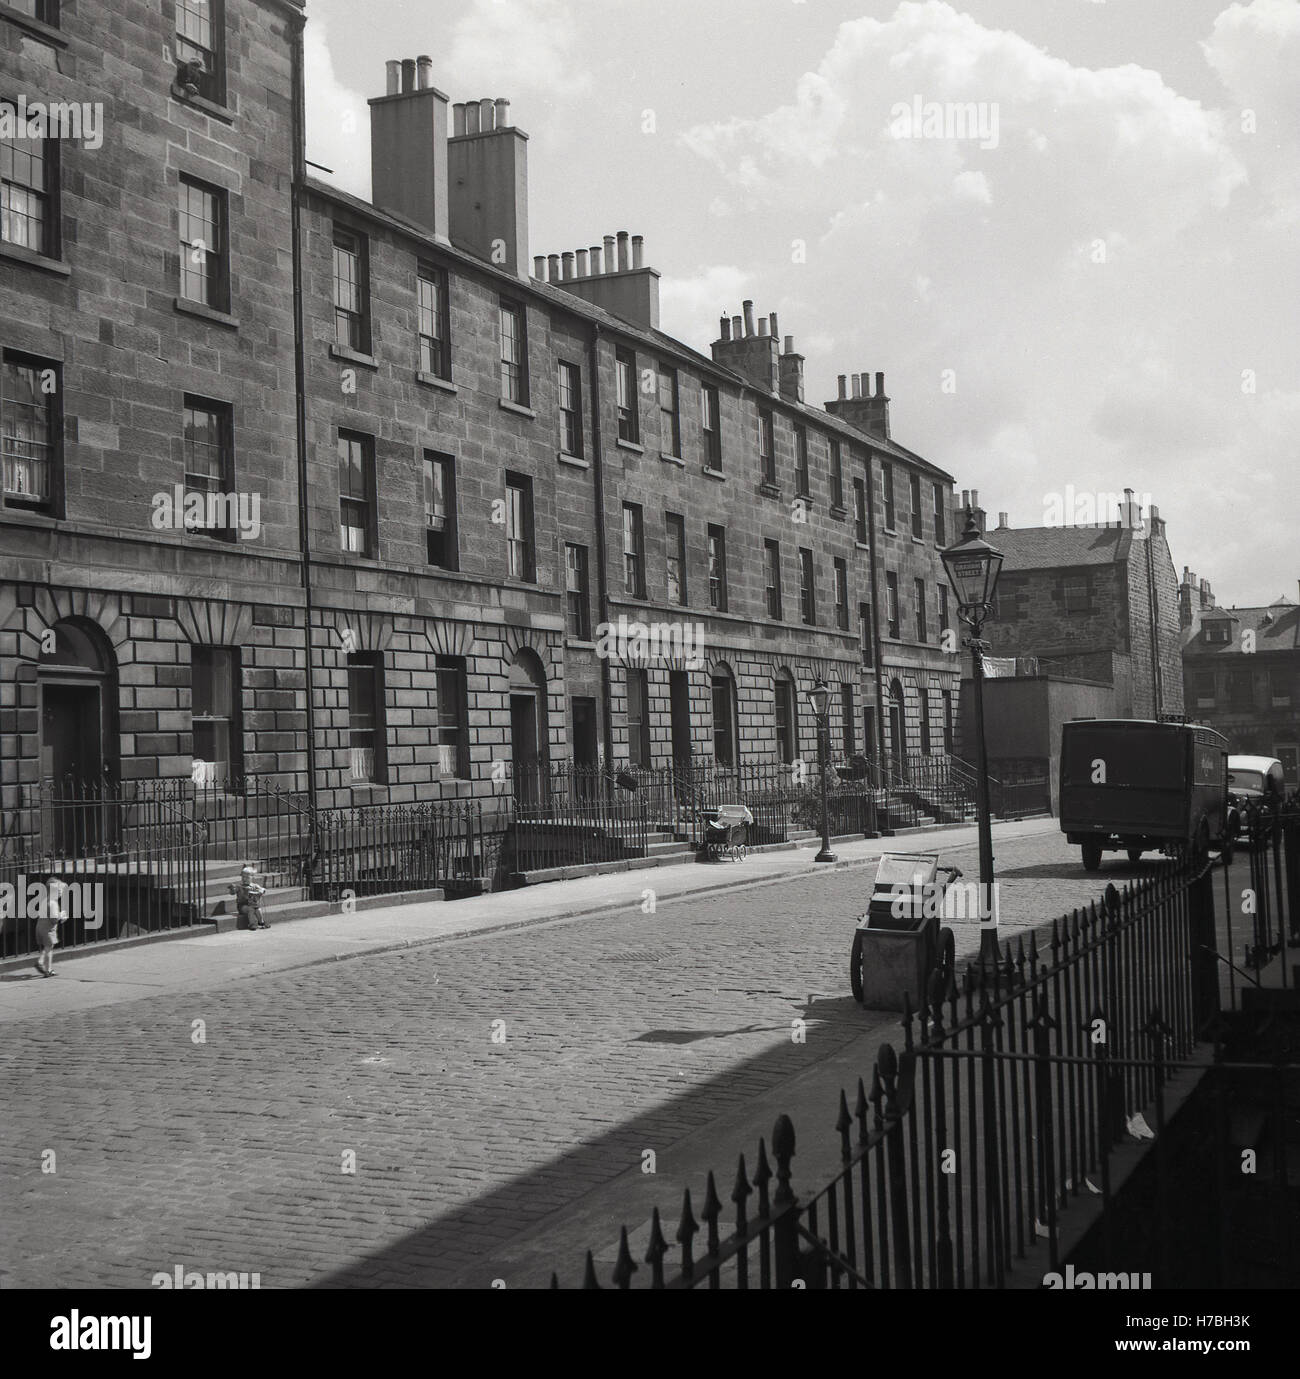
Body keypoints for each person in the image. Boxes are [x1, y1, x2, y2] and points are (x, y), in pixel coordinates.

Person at [34, 876, 70, 978]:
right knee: (49, 948)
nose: (61, 893)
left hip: (39, 927)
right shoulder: (53, 903)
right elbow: (54, 919)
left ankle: (42, 964)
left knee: (47, 947)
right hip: (48, 930)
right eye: (59, 891)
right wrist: (62, 916)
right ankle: (47, 969)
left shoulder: (45, 901)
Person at [232, 864, 269, 930]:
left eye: (247, 877)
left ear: (252, 878)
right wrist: (232, 889)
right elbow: (232, 892)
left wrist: (261, 891)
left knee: (258, 909)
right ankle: (252, 924)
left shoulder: (254, 886)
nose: (244, 879)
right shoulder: (239, 886)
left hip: (253, 904)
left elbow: (263, 889)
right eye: (243, 877)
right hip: (242, 906)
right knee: (251, 909)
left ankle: (261, 922)